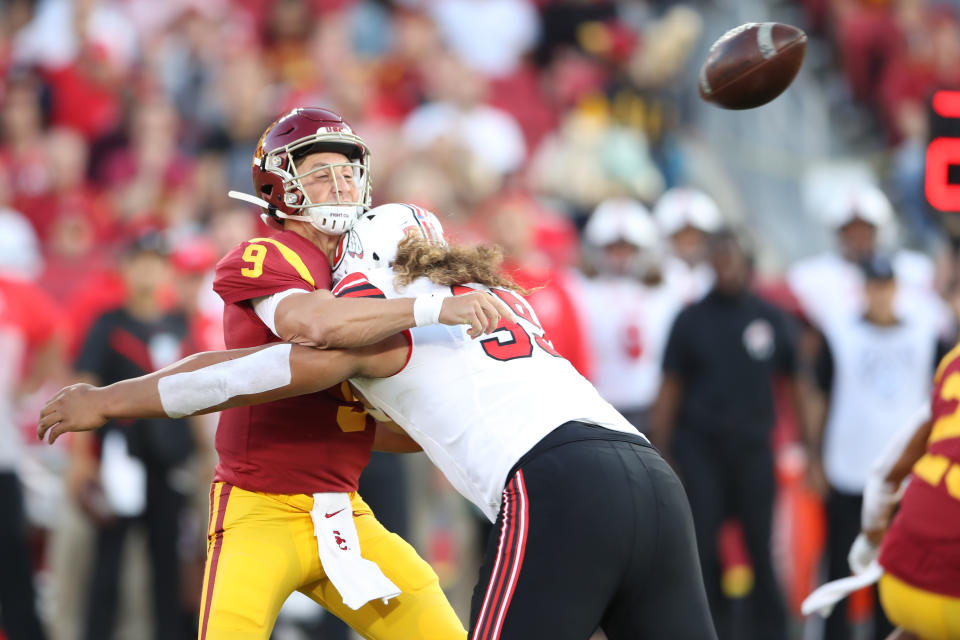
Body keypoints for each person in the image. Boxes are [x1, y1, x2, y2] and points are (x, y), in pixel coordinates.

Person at [38, 203, 718, 640]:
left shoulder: (383, 319)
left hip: (559, 483)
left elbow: (248, 374)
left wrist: (106, 401)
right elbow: (420, 424)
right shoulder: (493, 296)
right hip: (650, 474)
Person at [73, 107, 507, 640]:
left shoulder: (367, 268)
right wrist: (431, 311)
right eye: (322, 174)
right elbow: (314, 325)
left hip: (344, 510)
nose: (341, 185)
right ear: (280, 187)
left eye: (348, 172)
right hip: (258, 509)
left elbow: (380, 429)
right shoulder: (267, 252)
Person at [651, 229, 797, 640]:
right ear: (711, 264)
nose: (728, 266)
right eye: (721, 258)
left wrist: (810, 447)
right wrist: (662, 454)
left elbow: (798, 383)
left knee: (759, 547)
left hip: (753, 450)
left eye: (734, 257)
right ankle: (709, 629)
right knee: (702, 547)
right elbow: (670, 388)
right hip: (701, 449)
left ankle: (772, 632)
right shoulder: (690, 319)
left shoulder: (770, 317)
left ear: (747, 261)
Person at [806, 255, 942, 640]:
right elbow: (820, 396)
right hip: (851, 469)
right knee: (839, 565)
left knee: (896, 573)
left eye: (886, 286)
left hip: (904, 475)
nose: (880, 295)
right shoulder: (840, 334)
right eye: (873, 286)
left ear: (895, 289)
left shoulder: (924, 334)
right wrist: (814, 457)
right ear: (864, 290)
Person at [70, 232, 197, 640]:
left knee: (168, 566)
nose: (148, 270)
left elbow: (198, 390)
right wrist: (80, 459)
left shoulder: (178, 325)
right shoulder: (109, 324)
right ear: (124, 268)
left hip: (169, 461)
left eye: (156, 262)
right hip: (121, 458)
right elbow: (82, 390)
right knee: (109, 562)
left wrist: (207, 457)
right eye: (140, 261)